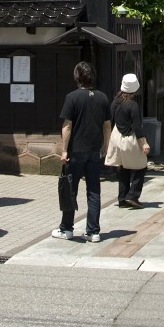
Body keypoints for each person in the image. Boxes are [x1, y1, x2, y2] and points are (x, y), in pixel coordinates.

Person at [52, 61, 112, 243]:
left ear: (77, 77)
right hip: (95, 150)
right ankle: (93, 231)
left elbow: (67, 126)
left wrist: (64, 150)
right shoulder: (102, 98)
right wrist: (106, 147)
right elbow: (107, 125)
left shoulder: (72, 97)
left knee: (71, 189)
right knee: (94, 191)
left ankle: (67, 228)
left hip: (76, 150)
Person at [105, 73, 150, 208]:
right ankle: (133, 195)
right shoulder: (132, 105)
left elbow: (110, 121)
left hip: (116, 137)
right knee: (141, 166)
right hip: (130, 138)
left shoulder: (114, 102)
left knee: (123, 167)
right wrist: (144, 143)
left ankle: (122, 198)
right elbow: (137, 126)